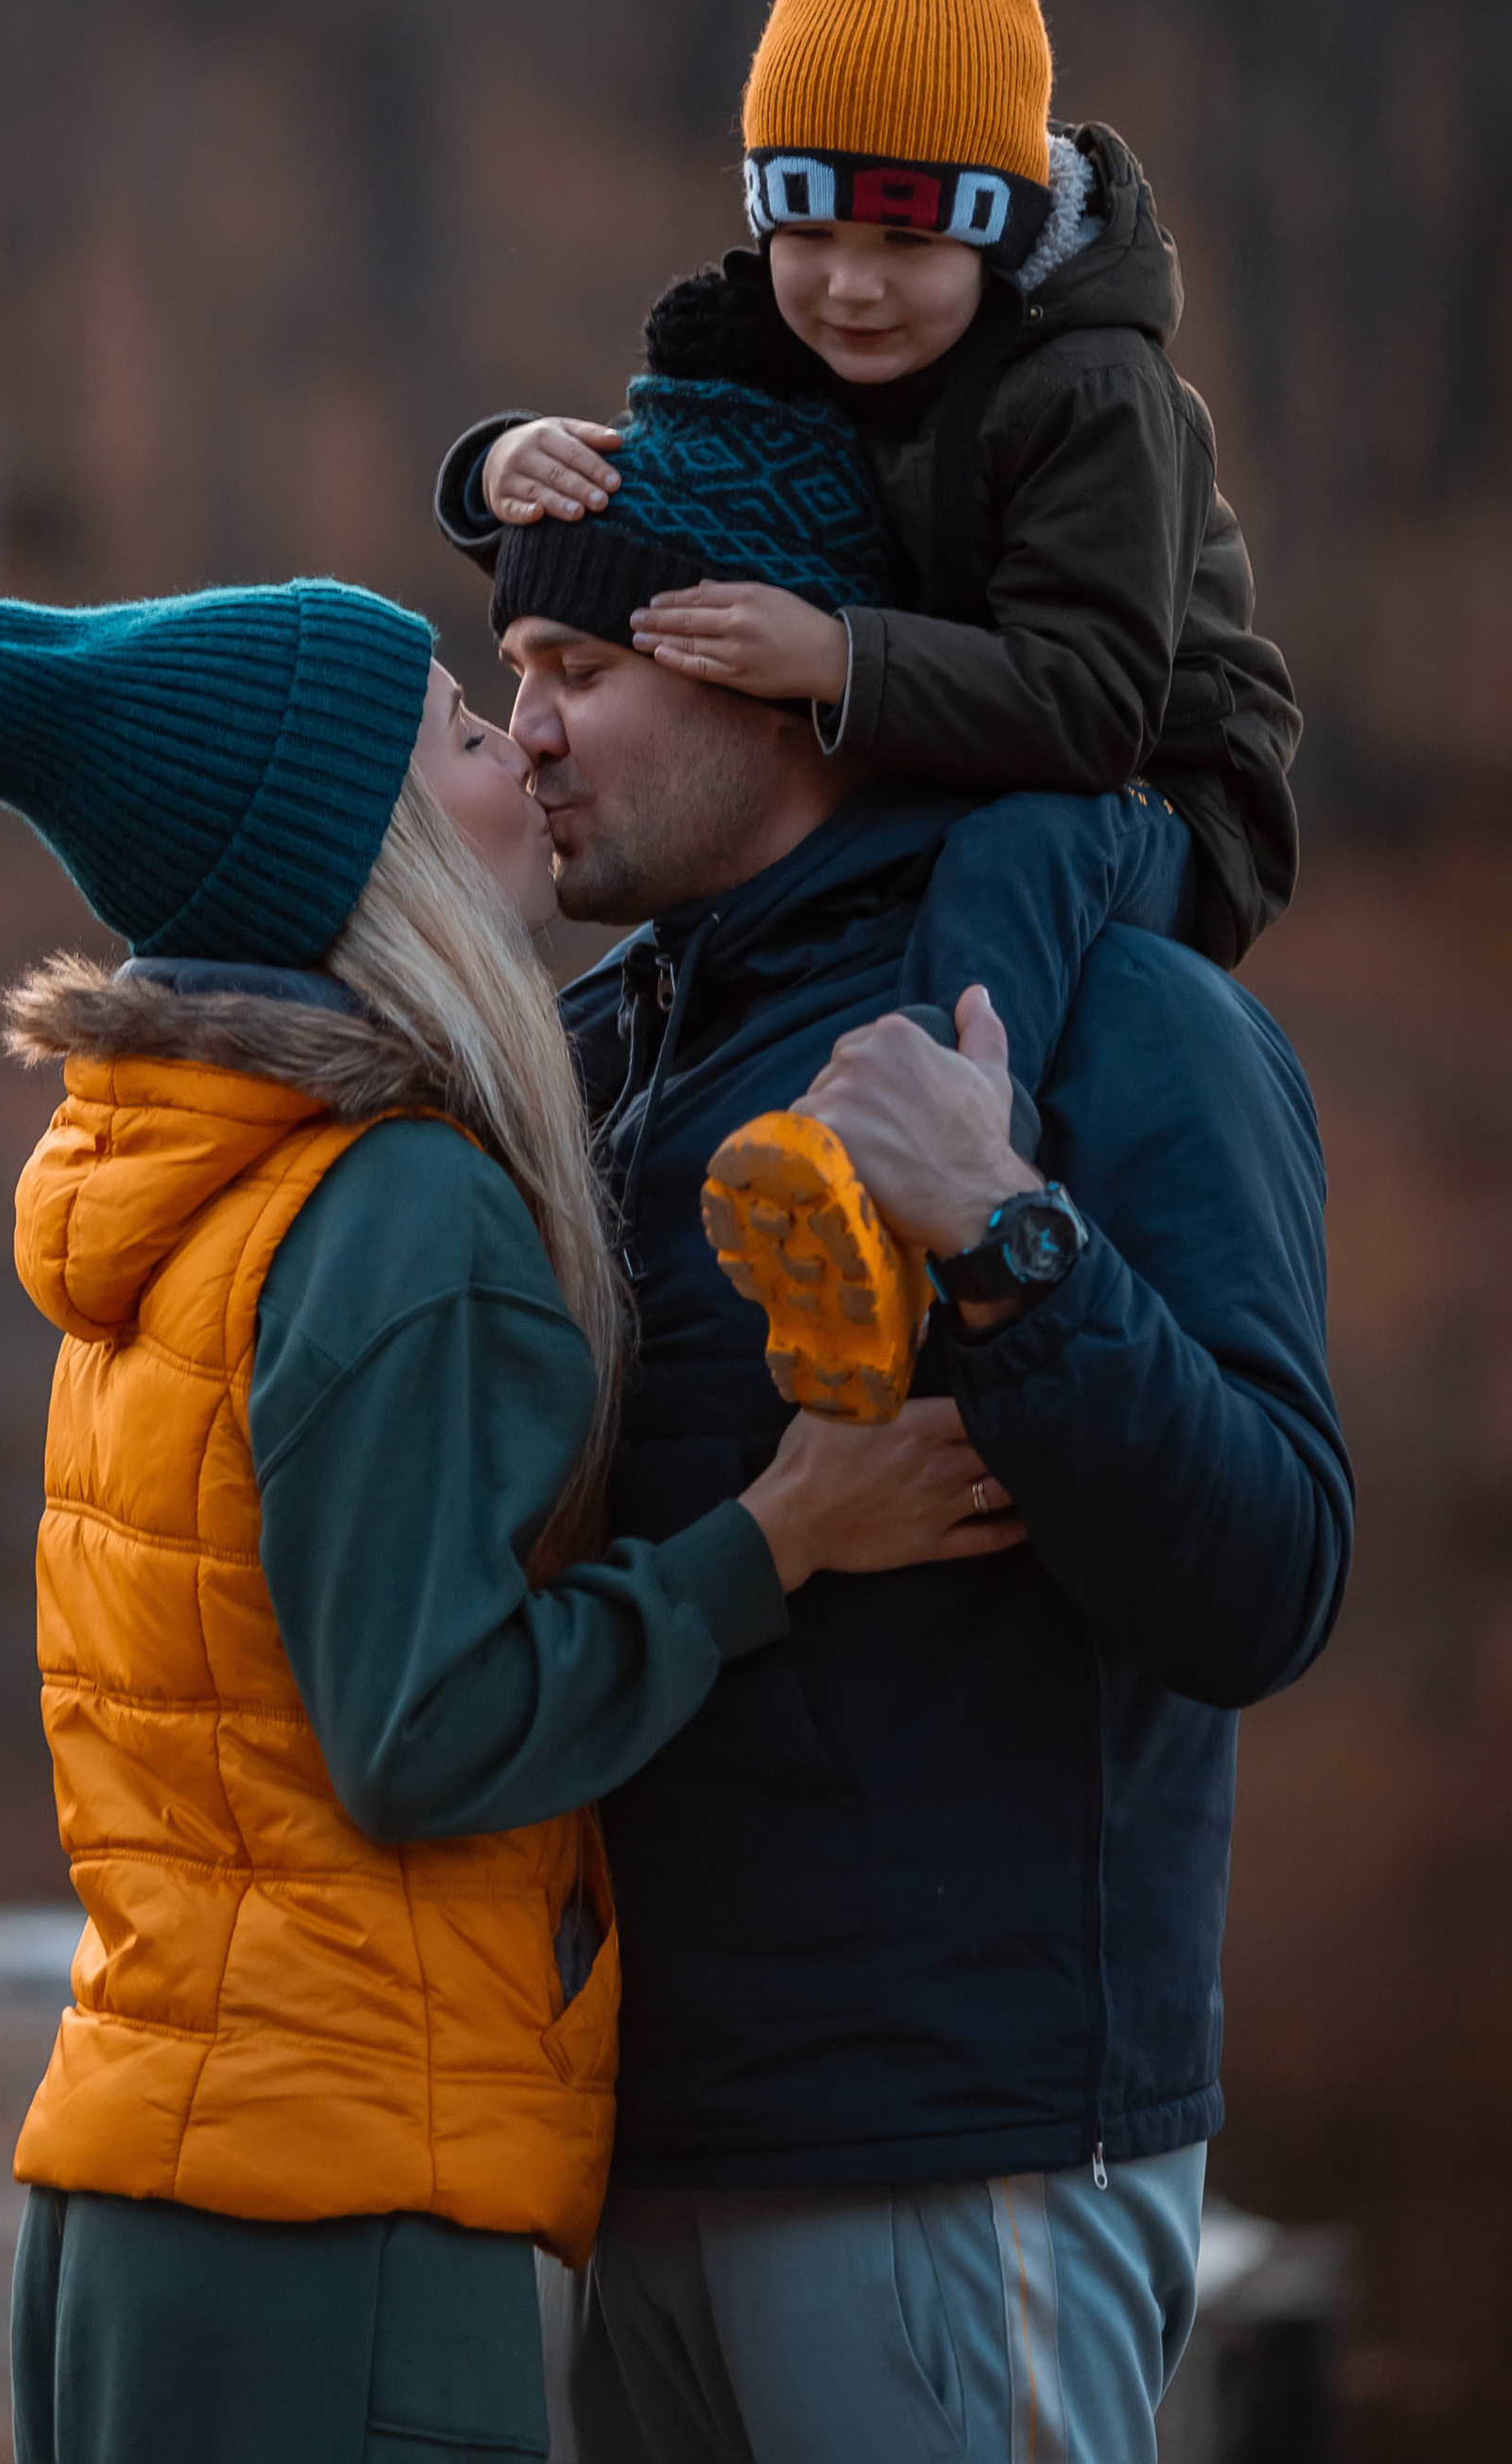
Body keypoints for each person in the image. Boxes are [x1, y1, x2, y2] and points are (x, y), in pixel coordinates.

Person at [0, 576, 1016, 2464]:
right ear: (377, 842)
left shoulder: (179, 1197)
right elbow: (425, 1731)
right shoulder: (396, 1209)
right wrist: (779, 1537)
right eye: (466, 734)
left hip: (143, 2181)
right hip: (337, 2231)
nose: (525, 748)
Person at [452, 434, 1350, 2460]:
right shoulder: (603, 1053)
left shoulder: (1118, 1022)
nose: (526, 736)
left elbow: (1265, 1579)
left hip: (948, 2144)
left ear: (774, 676)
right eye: (507, 675)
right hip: (618, 2129)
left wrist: (1012, 1245)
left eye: (578, 669)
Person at [440, 0, 1301, 988]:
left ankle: (954, 1110)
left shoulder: (1089, 391)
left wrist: (840, 661)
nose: (851, 287)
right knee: (738, 911)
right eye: (811, 232)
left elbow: (1093, 705)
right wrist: (500, 472)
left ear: (996, 237)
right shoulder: (825, 347)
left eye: (904, 246)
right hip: (948, 743)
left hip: (1158, 791)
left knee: (1004, 859)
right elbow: (661, 567)